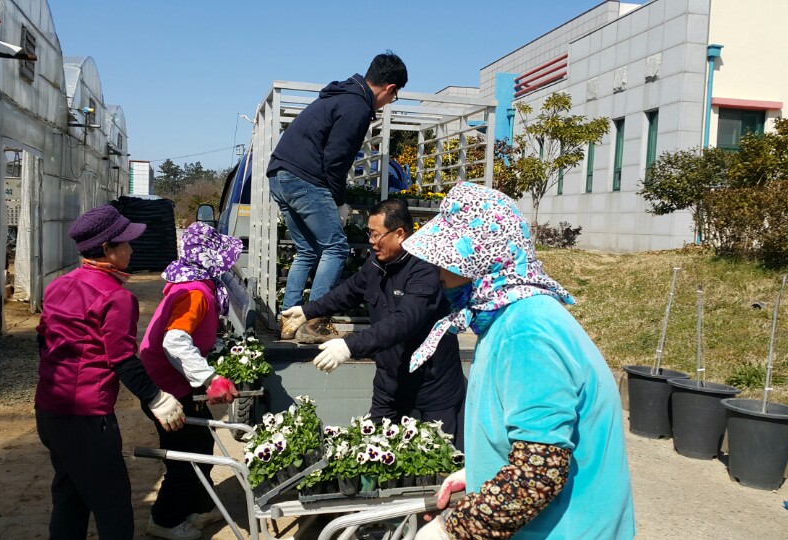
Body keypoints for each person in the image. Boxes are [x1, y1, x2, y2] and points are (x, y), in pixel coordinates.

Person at [404, 183, 635, 539]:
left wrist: (451, 531)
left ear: (483, 261)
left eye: (449, 261)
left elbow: (537, 474)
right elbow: (534, 436)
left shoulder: (525, 333)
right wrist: (480, 470)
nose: (439, 273)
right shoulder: (513, 318)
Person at [35, 204, 186, 540]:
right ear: (106, 249)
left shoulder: (60, 285)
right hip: (87, 417)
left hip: (49, 410)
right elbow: (122, 359)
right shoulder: (116, 298)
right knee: (113, 505)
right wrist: (157, 398)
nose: (132, 249)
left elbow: (43, 339)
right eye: (126, 243)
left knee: (70, 496)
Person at [280, 199, 466, 449]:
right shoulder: (377, 264)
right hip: (390, 382)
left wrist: (349, 346)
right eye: (369, 233)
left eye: (376, 234)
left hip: (431, 385)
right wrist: (307, 310)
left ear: (399, 234)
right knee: (373, 449)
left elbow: (404, 322)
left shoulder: (425, 269)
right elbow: (348, 291)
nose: (370, 241)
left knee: (441, 457)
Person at [268, 51, 408, 342]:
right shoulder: (356, 105)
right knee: (336, 248)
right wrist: (339, 200)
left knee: (307, 250)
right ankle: (314, 322)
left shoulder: (338, 96)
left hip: (280, 176)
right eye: (392, 98)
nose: (387, 104)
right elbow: (336, 159)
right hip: (304, 179)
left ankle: (287, 319)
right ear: (390, 88)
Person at [138, 222, 242, 540]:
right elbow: (175, 342)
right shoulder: (195, 293)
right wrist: (210, 378)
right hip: (166, 390)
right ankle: (165, 520)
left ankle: (199, 508)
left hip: (171, 381)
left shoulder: (189, 284)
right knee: (184, 457)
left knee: (201, 443)